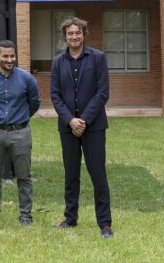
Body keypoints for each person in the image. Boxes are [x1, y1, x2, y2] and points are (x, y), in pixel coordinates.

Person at [50, 16, 113, 238]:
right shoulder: (58, 62)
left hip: (93, 127)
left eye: (78, 33)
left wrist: (83, 120)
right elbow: (55, 95)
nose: (74, 36)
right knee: (71, 174)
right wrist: (70, 120)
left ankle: (104, 223)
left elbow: (102, 92)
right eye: (70, 33)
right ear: (65, 37)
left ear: (84, 34)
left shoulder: (97, 58)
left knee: (98, 174)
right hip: (68, 128)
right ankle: (70, 218)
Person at [0, 40, 40, 226]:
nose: (9, 59)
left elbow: (34, 102)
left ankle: (26, 216)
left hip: (20, 133)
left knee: (24, 176)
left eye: (12, 56)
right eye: (5, 56)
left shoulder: (27, 79)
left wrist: (21, 117)